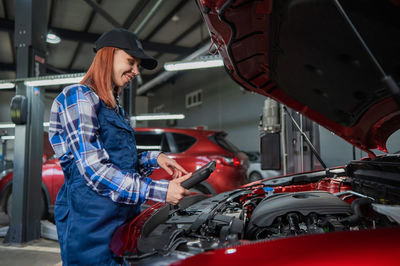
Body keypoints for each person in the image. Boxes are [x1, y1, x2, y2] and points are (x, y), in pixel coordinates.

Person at [48, 28, 192, 265]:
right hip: (91, 224)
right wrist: (160, 191)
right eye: (131, 62)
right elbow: (94, 169)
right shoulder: (78, 97)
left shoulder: (115, 109)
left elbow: (118, 158)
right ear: (109, 55)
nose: (136, 71)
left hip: (122, 217)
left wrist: (154, 158)